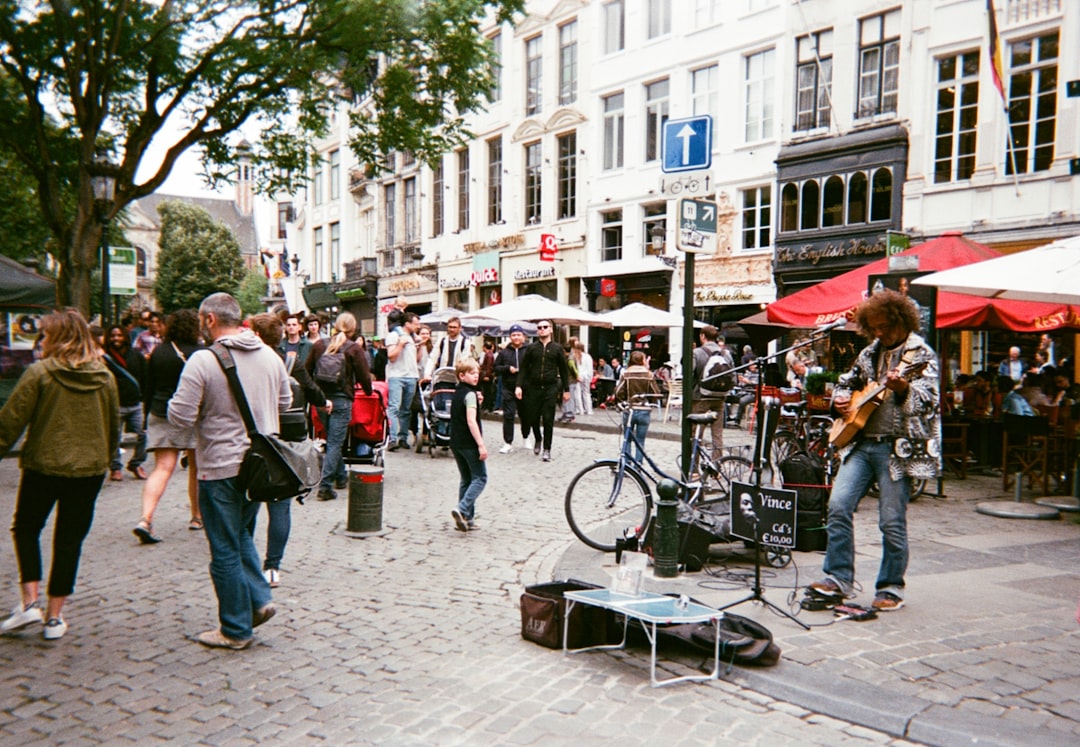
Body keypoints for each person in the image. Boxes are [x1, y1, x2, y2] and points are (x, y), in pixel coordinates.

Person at [168, 292, 291, 650]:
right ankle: (258, 598)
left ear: (209, 320)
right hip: (259, 466)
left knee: (224, 546)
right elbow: (285, 402)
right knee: (240, 535)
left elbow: (181, 417)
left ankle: (235, 629)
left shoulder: (202, 361)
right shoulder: (269, 354)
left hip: (220, 465)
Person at [808, 289, 939, 612]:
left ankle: (891, 586)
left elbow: (930, 400)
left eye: (885, 326)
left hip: (898, 449)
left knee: (891, 521)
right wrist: (840, 400)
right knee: (838, 506)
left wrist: (904, 388)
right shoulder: (870, 353)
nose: (880, 332)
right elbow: (846, 382)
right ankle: (838, 578)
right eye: (874, 327)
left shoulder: (921, 354)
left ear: (900, 320)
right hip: (863, 443)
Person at [0, 309, 120, 641]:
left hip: (44, 465)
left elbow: (11, 421)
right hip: (88, 470)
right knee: (69, 541)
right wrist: (108, 460)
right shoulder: (105, 376)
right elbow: (113, 424)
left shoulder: (40, 373)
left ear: (58, 337)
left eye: (46, 334)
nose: (42, 340)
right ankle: (55, 617)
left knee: (26, 528)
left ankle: (29, 602)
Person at [249, 313, 326, 586]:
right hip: (282, 440)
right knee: (280, 504)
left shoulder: (243, 362)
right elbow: (305, 387)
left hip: (252, 438)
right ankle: (272, 566)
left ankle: (245, 560)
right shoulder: (287, 360)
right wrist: (323, 401)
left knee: (248, 501)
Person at [134, 309, 203, 544]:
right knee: (196, 466)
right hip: (193, 414)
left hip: (161, 411)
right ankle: (197, 515)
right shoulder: (201, 353)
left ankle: (145, 518)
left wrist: (146, 418)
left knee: (163, 468)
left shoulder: (159, 352)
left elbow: (148, 387)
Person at [305, 311, 373, 500]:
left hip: (321, 401)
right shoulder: (353, 349)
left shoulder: (319, 345)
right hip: (342, 400)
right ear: (353, 329)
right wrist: (368, 391)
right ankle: (325, 487)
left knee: (332, 439)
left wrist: (315, 394)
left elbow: (306, 371)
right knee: (335, 443)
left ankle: (341, 476)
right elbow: (364, 376)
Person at [515, 319, 570, 462]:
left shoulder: (557, 348)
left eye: (545, 327)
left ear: (551, 329)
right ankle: (538, 438)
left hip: (550, 387)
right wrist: (519, 386)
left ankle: (547, 449)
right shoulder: (532, 348)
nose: (542, 329)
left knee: (548, 419)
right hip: (533, 388)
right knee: (532, 417)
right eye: (539, 327)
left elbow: (564, 371)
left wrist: (566, 389)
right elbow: (524, 368)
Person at [101, 324, 148, 481]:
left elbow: (144, 377)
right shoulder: (104, 358)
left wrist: (144, 398)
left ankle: (136, 463)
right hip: (115, 405)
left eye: (119, 335)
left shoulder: (136, 355)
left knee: (143, 435)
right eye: (113, 336)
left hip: (134, 404)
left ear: (125, 337)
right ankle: (115, 467)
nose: (116, 339)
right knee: (114, 437)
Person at [449, 358, 487, 532]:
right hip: (469, 442)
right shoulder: (470, 394)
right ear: (462, 375)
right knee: (480, 478)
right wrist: (481, 444)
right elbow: (471, 421)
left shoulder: (458, 393)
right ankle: (462, 508)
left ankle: (467, 520)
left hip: (456, 442)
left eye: (477, 373)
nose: (476, 376)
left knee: (466, 479)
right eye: (472, 373)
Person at [691, 325, 730, 459]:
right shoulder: (726, 354)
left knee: (696, 434)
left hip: (699, 397)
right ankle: (716, 465)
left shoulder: (697, 353)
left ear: (702, 336)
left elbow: (690, 375)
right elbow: (733, 377)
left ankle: (693, 469)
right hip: (720, 398)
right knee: (717, 434)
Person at [614, 350, 661, 464]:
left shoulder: (626, 373)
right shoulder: (648, 374)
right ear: (642, 360)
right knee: (640, 441)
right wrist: (651, 402)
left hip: (629, 409)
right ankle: (638, 465)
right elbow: (656, 392)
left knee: (627, 439)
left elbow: (618, 392)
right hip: (644, 410)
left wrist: (621, 402)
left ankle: (627, 465)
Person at [385, 310, 420, 451]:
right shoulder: (394, 336)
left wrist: (421, 346)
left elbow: (415, 359)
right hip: (397, 376)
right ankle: (392, 439)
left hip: (411, 376)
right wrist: (400, 345)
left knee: (406, 410)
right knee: (394, 408)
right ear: (407, 324)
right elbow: (391, 356)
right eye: (416, 324)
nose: (418, 326)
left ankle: (403, 438)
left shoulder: (412, 337)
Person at [494, 324, 529, 454]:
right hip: (508, 387)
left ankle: (526, 437)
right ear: (510, 337)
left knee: (525, 415)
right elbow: (496, 368)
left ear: (523, 336)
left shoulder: (528, 350)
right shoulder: (504, 352)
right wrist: (508, 368)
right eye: (513, 335)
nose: (516, 337)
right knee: (508, 415)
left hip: (525, 388)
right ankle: (508, 442)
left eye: (518, 335)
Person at [574, 341, 594, 416]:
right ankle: (589, 409)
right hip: (586, 376)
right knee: (586, 393)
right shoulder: (588, 357)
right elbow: (590, 368)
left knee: (577, 393)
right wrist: (590, 377)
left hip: (578, 376)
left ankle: (579, 409)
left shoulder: (576, 357)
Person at [479, 340, 497, 413]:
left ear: (484, 347)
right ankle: (487, 406)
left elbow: (489, 367)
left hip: (487, 376)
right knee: (487, 392)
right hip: (487, 375)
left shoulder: (489, 355)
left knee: (487, 392)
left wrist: (486, 375)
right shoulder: (489, 354)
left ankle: (488, 407)